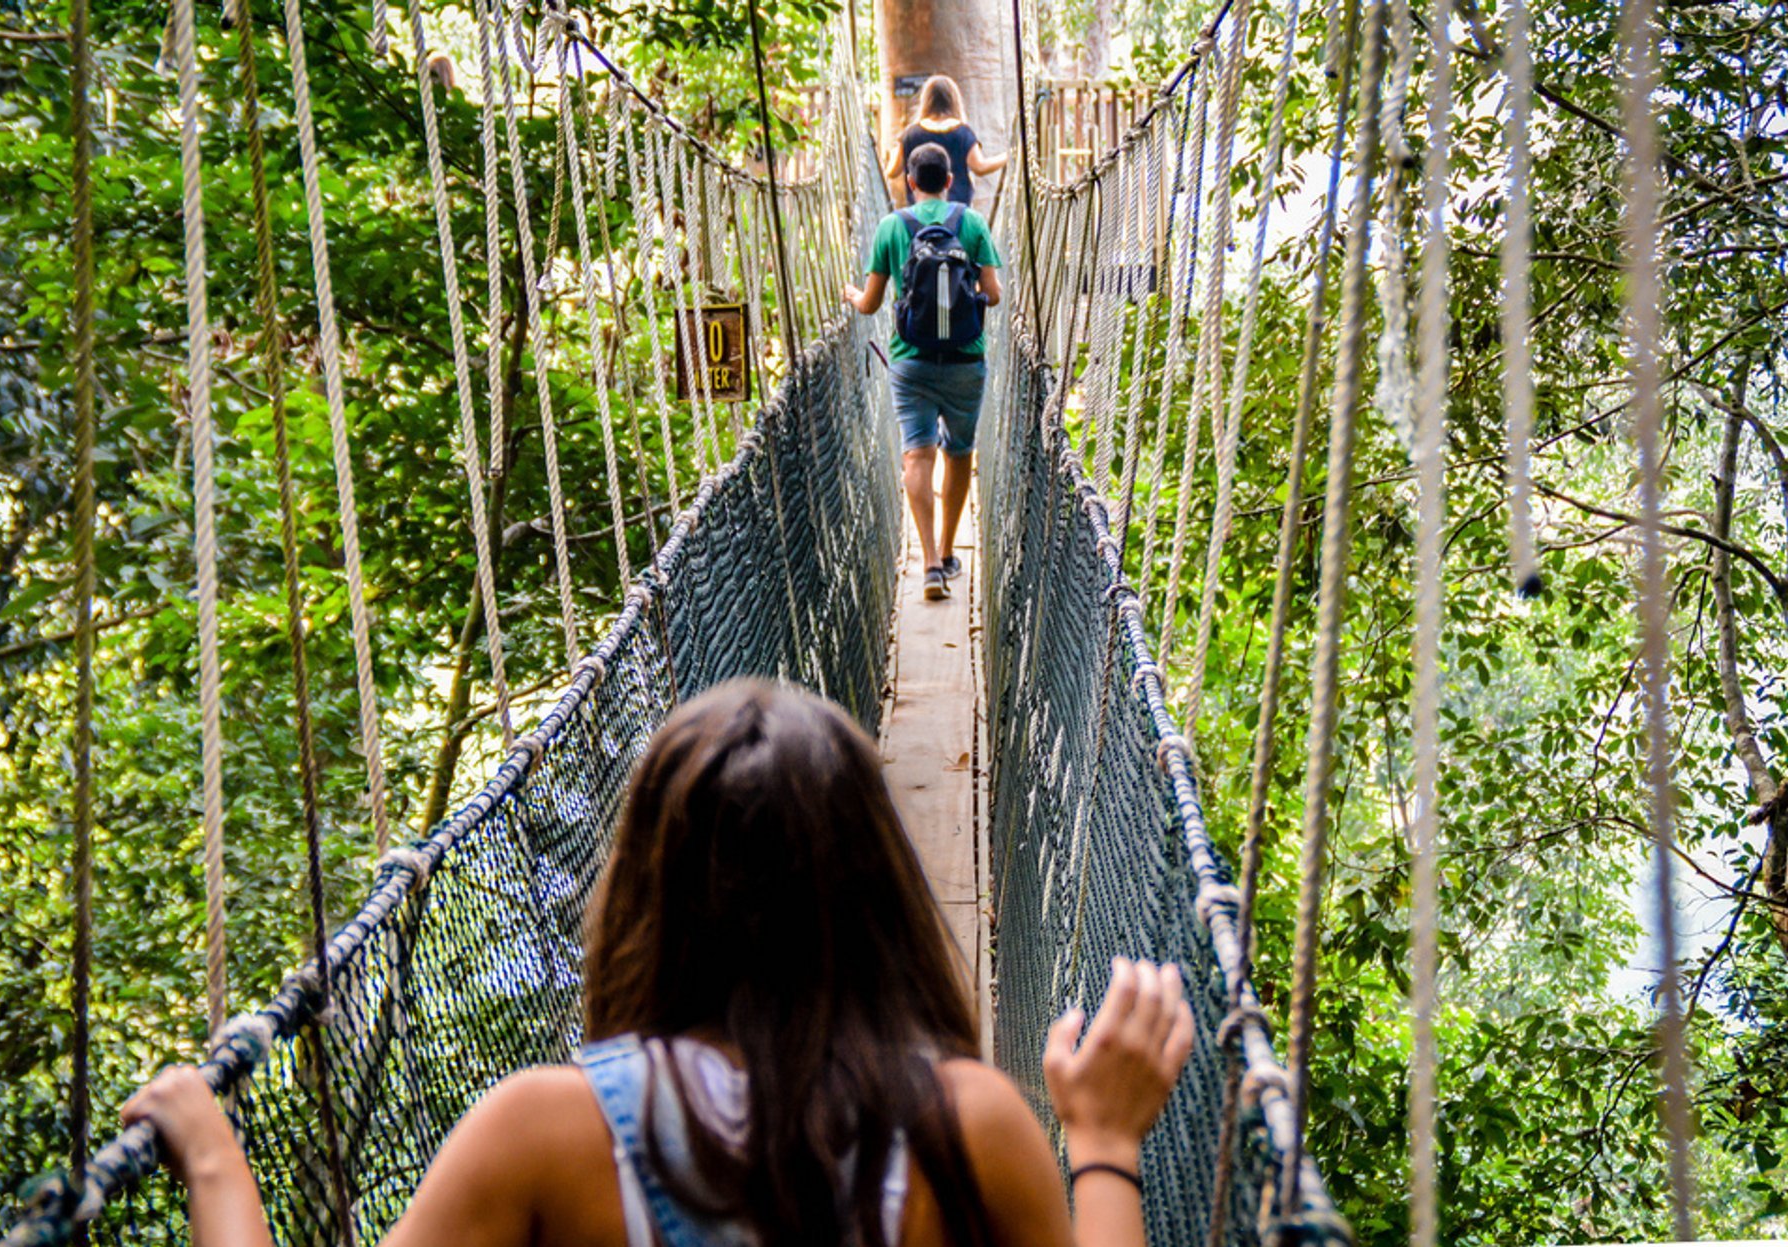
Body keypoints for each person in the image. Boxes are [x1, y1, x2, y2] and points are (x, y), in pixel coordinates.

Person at [124, 679, 1196, 1247]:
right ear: (880, 888)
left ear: (643, 892)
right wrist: (1102, 1138)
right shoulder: (968, 1125)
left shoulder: (543, 1134)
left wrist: (216, 1161)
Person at [843, 142, 1002, 602]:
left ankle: (929, 561)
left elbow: (871, 303)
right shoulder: (970, 222)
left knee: (917, 456)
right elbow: (992, 294)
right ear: (950, 181)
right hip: (965, 360)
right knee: (958, 454)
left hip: (909, 361)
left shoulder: (892, 226)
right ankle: (951, 552)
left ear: (910, 182)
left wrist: (852, 295)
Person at [883, 75, 1008, 208]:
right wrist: (1008, 156)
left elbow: (892, 171)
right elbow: (980, 167)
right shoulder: (962, 132)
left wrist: (891, 155)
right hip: (956, 213)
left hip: (921, 214)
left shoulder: (910, 134)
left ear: (925, 101)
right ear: (954, 101)